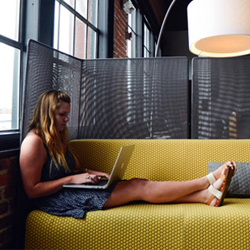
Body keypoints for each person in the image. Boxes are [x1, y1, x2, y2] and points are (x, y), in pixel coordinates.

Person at [20, 90, 237, 219]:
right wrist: (72, 179)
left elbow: (64, 171)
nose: (67, 120)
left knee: (138, 183)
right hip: (56, 201)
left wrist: (88, 174)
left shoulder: (56, 137)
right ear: (47, 113)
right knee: (138, 187)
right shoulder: (33, 143)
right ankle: (205, 181)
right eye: (62, 115)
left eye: (67, 114)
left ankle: (205, 197)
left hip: (70, 190)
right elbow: (32, 191)